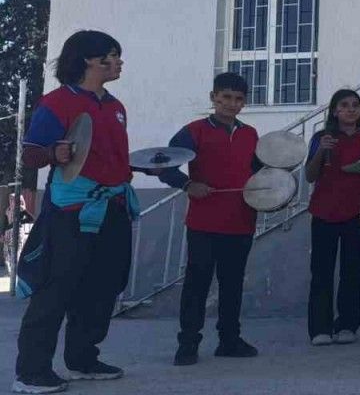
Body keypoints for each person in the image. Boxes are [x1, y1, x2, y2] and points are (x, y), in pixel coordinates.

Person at [14, 31, 136, 394]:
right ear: (89, 60)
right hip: (72, 210)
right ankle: (30, 373)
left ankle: (83, 359)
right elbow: (31, 154)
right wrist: (54, 154)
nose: (119, 62)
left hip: (113, 205)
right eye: (112, 55)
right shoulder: (56, 103)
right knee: (56, 287)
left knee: (103, 285)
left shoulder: (116, 106)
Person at [159, 72, 264, 366]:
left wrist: (273, 189)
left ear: (245, 102)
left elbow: (259, 173)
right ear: (213, 98)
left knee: (232, 285)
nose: (232, 104)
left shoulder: (251, 134)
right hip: (204, 223)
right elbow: (164, 166)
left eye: (238, 99)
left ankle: (229, 340)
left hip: (241, 220)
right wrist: (187, 184)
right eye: (226, 97)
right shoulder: (193, 132)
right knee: (197, 284)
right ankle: (187, 344)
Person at [305, 90, 360, 347]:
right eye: (344, 105)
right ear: (334, 111)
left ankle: (347, 325)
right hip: (324, 212)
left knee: (352, 272)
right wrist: (321, 152)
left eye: (356, 105)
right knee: (321, 272)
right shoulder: (322, 137)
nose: (351, 109)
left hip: (357, 213)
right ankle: (319, 329)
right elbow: (310, 176)